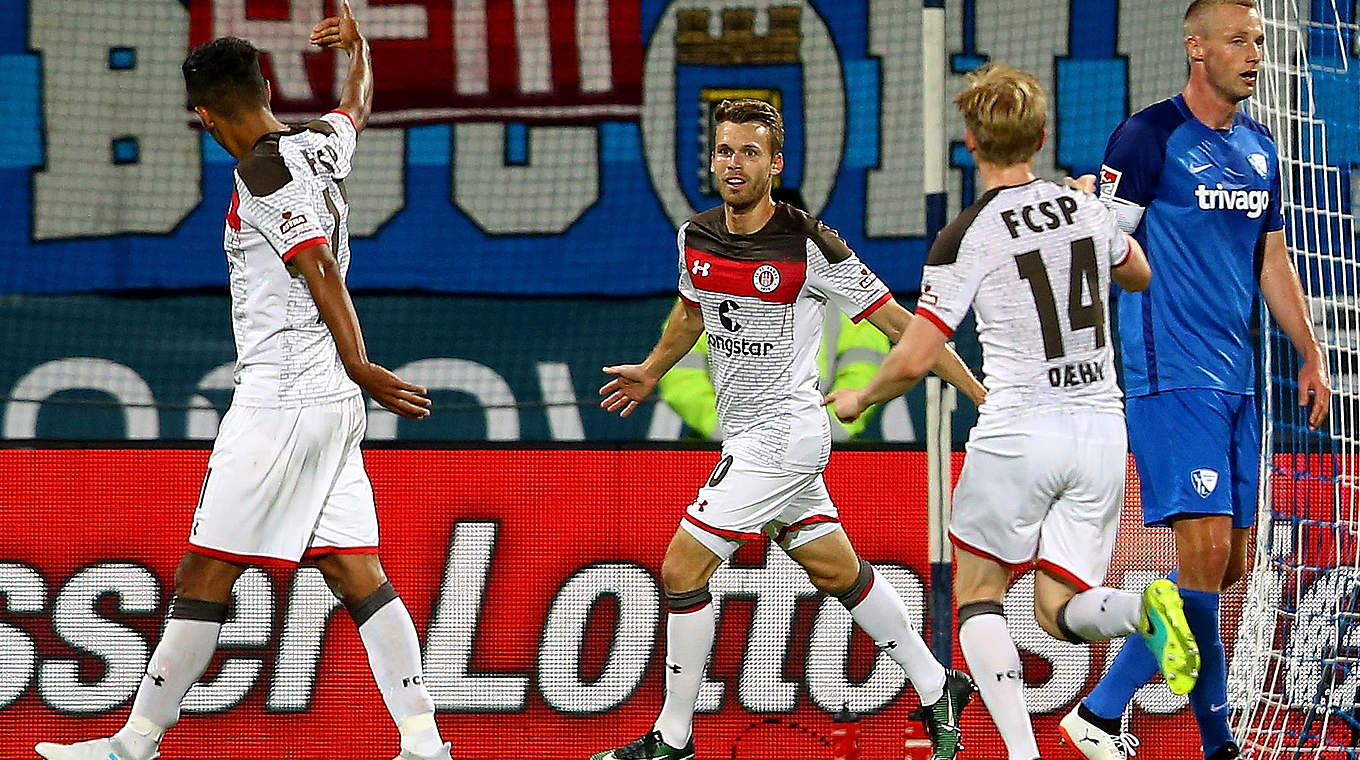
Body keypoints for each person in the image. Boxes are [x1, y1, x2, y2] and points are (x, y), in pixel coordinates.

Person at [35, 5, 449, 760]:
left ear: (201, 114)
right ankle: (424, 740)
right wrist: (360, 50)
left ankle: (134, 743)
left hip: (284, 399)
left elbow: (316, 262)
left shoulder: (263, 171)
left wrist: (362, 362)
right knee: (357, 569)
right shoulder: (318, 145)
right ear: (264, 83)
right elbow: (357, 104)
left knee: (205, 569)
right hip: (328, 401)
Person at [591, 97, 987, 760]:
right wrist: (653, 370)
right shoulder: (695, 237)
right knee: (838, 572)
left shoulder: (811, 245)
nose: (735, 163)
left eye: (750, 152)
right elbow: (691, 315)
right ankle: (937, 682)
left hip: (786, 436)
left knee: (681, 569)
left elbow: (901, 325)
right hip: (747, 436)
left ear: (775, 164)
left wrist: (976, 390)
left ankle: (672, 738)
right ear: (712, 161)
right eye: (725, 151)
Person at [825, 63, 1197, 760]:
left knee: (978, 594)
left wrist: (860, 396)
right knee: (1059, 612)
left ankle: (1021, 755)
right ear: (1042, 134)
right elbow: (1139, 274)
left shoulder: (965, 236)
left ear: (969, 140)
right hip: (1099, 433)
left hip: (1020, 428)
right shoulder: (1084, 207)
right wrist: (1091, 211)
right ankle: (1139, 610)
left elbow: (914, 354)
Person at [1054, 3, 1332, 759]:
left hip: (1238, 380)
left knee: (1231, 564)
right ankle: (1212, 743)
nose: (1254, 54)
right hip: (1170, 373)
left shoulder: (1261, 147)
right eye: (1239, 40)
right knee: (1205, 559)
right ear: (1196, 47)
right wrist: (1085, 199)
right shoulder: (1148, 137)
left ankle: (1101, 713)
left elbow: (1271, 261)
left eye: (1260, 42)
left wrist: (1309, 351)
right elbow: (1100, 240)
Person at [659, 190, 894, 442]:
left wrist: (820, 433)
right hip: (718, 449)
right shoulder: (705, 289)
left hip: (818, 449)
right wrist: (732, 432)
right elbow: (681, 376)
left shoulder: (842, 293)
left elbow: (864, 370)